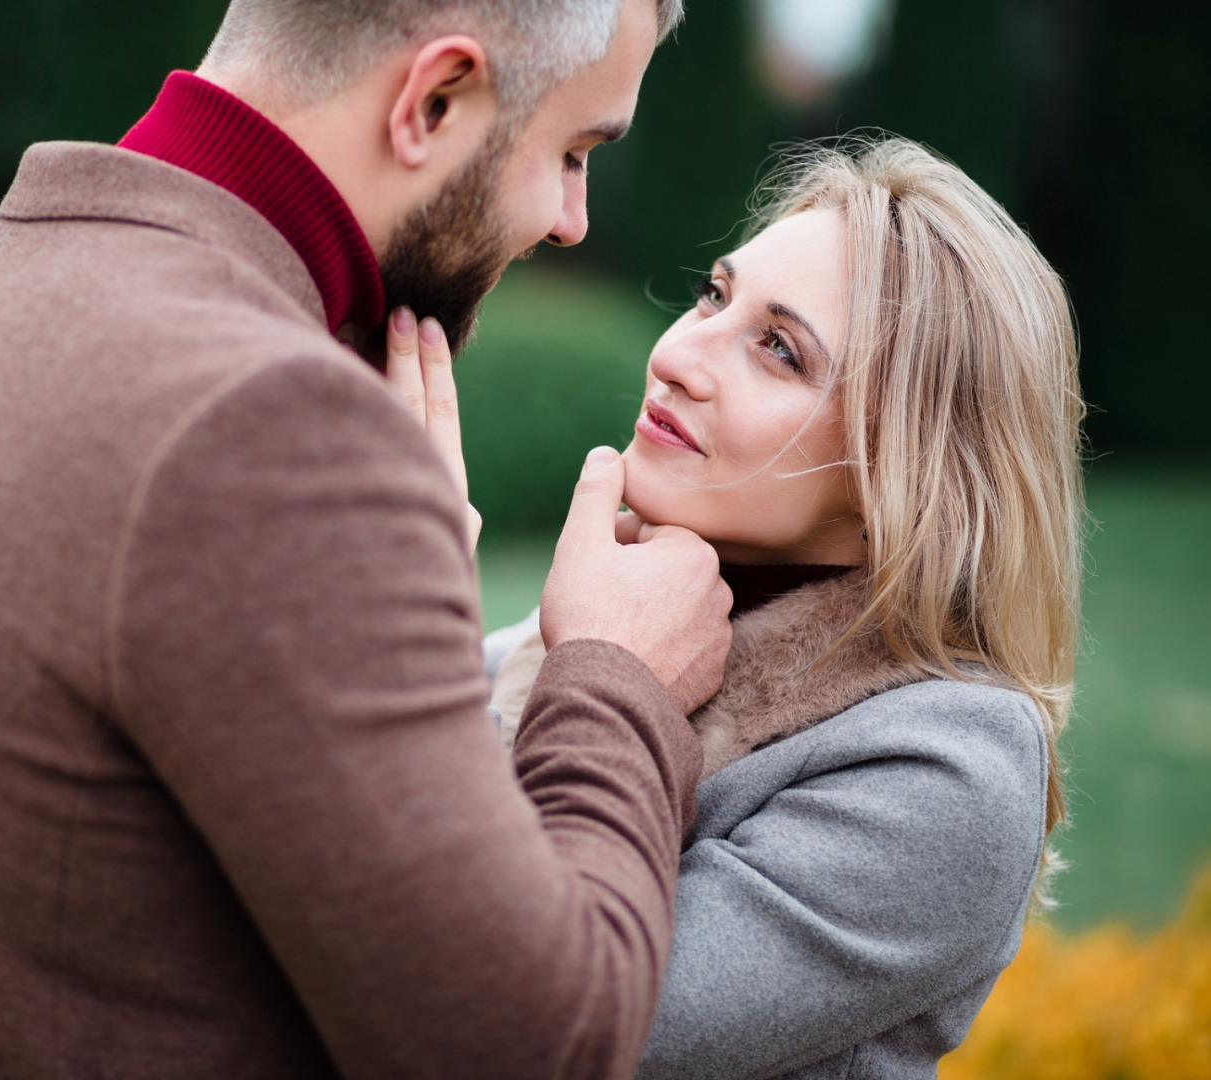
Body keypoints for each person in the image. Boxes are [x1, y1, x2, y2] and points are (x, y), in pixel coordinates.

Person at [0, 1, 736, 1078]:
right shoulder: (263, 421)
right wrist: (614, 675)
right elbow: (535, 1047)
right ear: (434, 100)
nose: (569, 220)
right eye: (572, 151)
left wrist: (397, 609)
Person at [437, 136, 1082, 1078]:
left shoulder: (947, 767)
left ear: (899, 470)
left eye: (778, 349)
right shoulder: (623, 605)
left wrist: (608, 683)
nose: (675, 355)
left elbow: (527, 1038)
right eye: (712, 295)